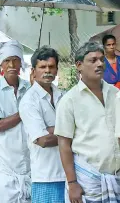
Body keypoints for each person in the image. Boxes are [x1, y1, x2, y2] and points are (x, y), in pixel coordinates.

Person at [55, 41, 120, 203]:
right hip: (88, 182)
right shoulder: (69, 100)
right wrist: (72, 183)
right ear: (79, 65)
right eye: (93, 60)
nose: (100, 64)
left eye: (101, 59)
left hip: (115, 177)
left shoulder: (115, 93)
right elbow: (64, 144)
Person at [0, 40, 31, 203]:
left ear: (21, 63)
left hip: (29, 162)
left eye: (15, 60)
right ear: (1, 66)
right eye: (7, 61)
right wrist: (23, 112)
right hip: (5, 164)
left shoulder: (29, 88)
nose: (11, 64)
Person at [19, 46, 66, 203]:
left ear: (57, 70)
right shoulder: (29, 101)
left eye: (51, 67)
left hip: (68, 173)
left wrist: (51, 129)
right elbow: (43, 140)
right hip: (46, 176)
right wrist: (69, 131)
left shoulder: (62, 96)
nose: (47, 71)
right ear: (33, 71)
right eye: (43, 67)